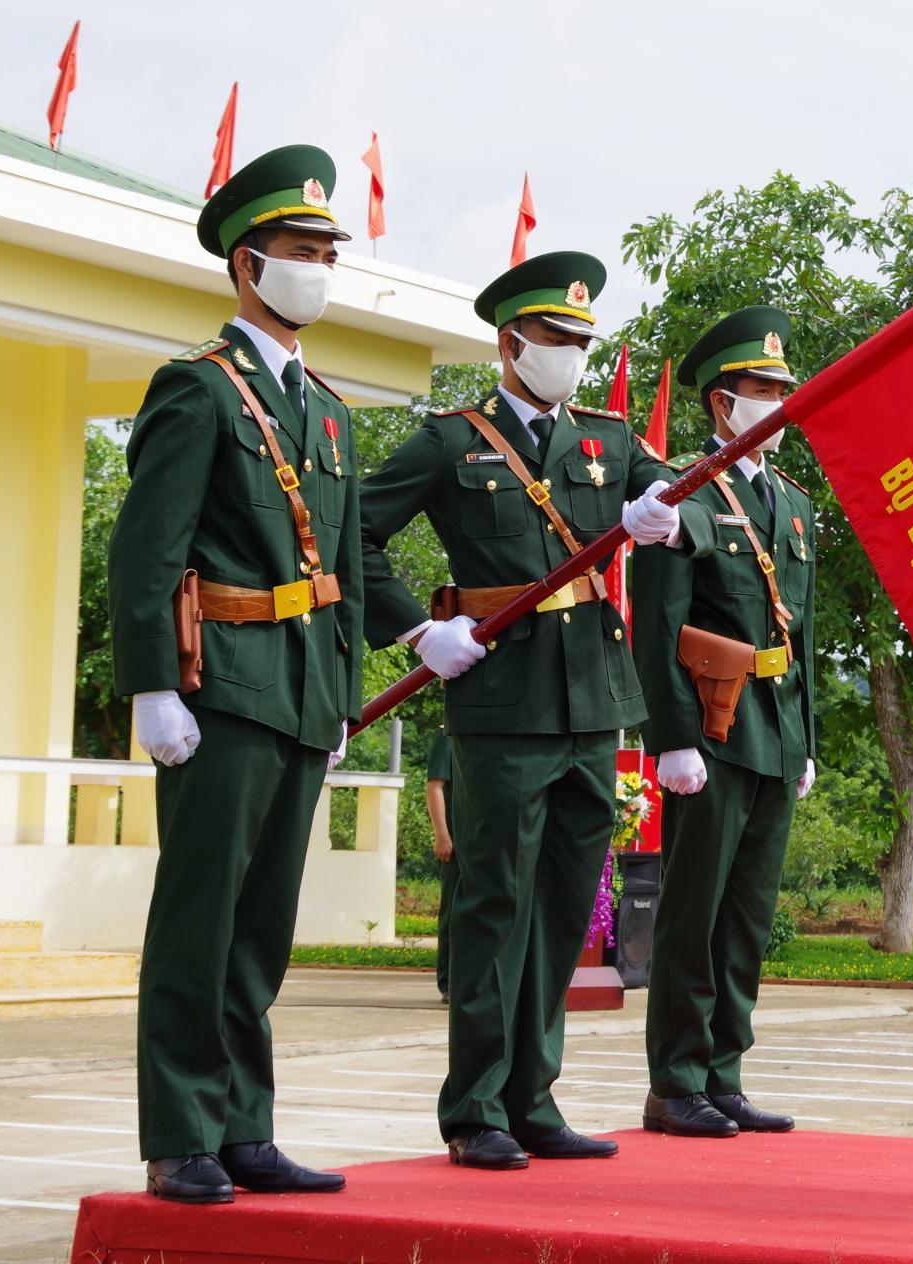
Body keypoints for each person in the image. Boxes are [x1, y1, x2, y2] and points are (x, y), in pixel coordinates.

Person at [358, 252, 683, 1169]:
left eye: (585, 341)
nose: (574, 355)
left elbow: (675, 493)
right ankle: (476, 1111)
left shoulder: (608, 438)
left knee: (565, 909)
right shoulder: (449, 441)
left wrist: (666, 513)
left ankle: (533, 1097)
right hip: (499, 701)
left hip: (592, 702)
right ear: (512, 342)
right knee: (495, 906)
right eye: (558, 339)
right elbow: (358, 534)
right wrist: (420, 635)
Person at [108, 145, 360, 1204]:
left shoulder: (332, 410)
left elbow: (341, 568)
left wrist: (342, 694)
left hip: (300, 691)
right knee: (199, 920)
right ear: (246, 268)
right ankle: (180, 1135)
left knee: (260, 928)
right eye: (299, 252)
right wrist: (151, 684)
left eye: (326, 252)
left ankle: (245, 1127)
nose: (317, 269)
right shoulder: (199, 392)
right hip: (223, 686)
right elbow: (147, 548)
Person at [631, 307, 817, 1137]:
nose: (776, 402)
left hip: (775, 730)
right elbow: (660, 622)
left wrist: (805, 738)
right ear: (720, 403)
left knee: (746, 917)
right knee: (694, 912)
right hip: (712, 729)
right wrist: (670, 737)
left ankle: (724, 1073)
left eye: (783, 389)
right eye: (760, 390)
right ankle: (675, 1082)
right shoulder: (686, 494)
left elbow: (799, 634)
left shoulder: (794, 503)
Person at [426, 726, 458, 1005]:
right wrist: (442, 834)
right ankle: (449, 982)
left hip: (482, 838)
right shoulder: (446, 734)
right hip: (457, 841)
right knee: (453, 913)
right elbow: (435, 785)